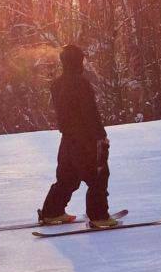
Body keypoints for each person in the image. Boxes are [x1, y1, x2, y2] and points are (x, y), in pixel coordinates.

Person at [38, 44, 116, 229]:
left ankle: (52, 212)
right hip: (85, 139)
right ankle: (99, 217)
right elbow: (89, 113)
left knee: (67, 178)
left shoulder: (56, 84)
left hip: (67, 140)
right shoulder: (81, 83)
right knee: (98, 176)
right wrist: (101, 136)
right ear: (77, 61)